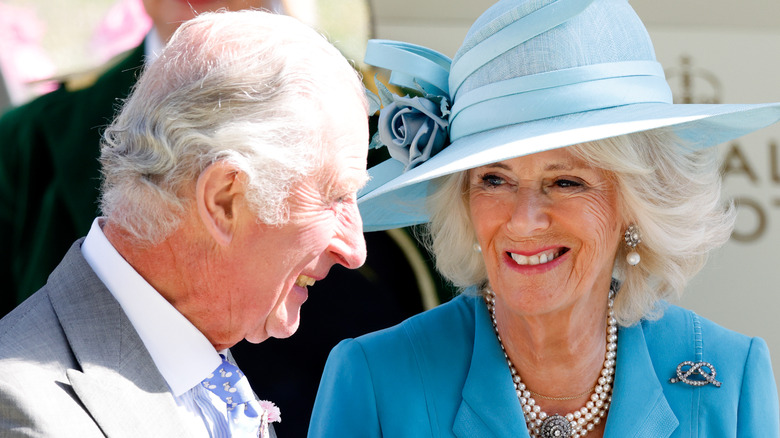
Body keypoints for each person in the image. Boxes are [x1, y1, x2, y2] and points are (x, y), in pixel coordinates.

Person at [308, 0, 780, 436]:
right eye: (495, 180)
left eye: (566, 182)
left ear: (637, 203)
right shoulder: (375, 379)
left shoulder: (730, 378)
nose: (524, 221)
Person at [0, 9, 368, 437]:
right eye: (335, 197)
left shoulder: (200, 350)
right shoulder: (28, 412)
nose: (355, 249)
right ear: (223, 201)